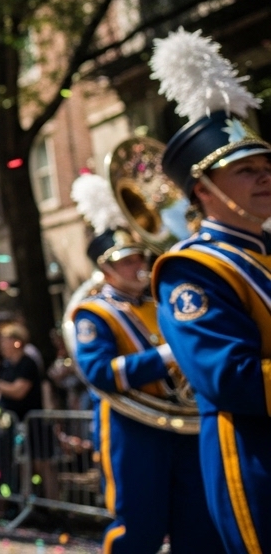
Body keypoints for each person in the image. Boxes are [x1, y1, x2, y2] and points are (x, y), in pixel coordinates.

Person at [148, 29, 271, 553]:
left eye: (265, 167)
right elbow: (230, 378)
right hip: (256, 456)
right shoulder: (191, 270)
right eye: (245, 170)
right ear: (204, 189)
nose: (264, 177)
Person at [68, 173, 220, 553]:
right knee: (139, 527)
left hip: (184, 424)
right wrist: (166, 357)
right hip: (133, 428)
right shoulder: (93, 313)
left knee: (199, 526)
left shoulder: (161, 303)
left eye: (139, 256)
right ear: (106, 269)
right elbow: (100, 372)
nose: (138, 264)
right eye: (127, 260)